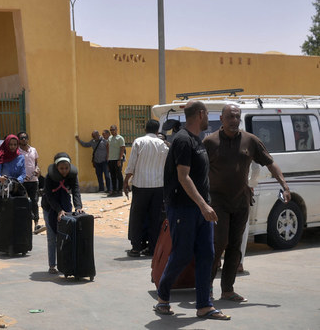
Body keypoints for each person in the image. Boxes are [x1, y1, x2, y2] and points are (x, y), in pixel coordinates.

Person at [203, 104, 291, 303]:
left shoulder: (251, 141)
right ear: (222, 119)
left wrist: (284, 185)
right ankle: (206, 288)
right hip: (217, 202)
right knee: (219, 243)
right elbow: (198, 171)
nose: (234, 120)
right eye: (230, 117)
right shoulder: (210, 142)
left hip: (241, 201)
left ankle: (227, 290)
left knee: (235, 246)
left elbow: (270, 162)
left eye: (237, 116)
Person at [154, 100, 229, 320]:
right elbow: (183, 176)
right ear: (200, 114)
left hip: (200, 208)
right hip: (183, 209)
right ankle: (163, 298)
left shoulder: (197, 141)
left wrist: (206, 204)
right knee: (182, 254)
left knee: (207, 254)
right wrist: (203, 204)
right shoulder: (183, 141)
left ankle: (204, 305)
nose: (208, 119)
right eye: (207, 115)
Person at [123, 120, 168, 257]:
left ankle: (136, 248)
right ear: (157, 130)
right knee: (155, 218)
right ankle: (152, 248)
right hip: (158, 186)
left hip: (141, 186)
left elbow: (131, 165)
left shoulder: (139, 142)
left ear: (145, 129)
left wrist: (126, 182)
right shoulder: (163, 145)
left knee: (138, 217)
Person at [41, 152, 83, 274]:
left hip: (65, 205)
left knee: (65, 236)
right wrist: (58, 210)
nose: (64, 171)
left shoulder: (72, 175)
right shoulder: (49, 177)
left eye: (66, 168)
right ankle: (52, 265)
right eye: (61, 168)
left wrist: (78, 206)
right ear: (56, 168)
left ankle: (64, 263)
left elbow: (76, 190)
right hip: (50, 207)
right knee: (52, 237)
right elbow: (49, 196)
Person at [0, 134, 26, 209]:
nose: (13, 146)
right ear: (6, 144)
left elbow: (23, 174)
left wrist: (15, 182)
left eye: (15, 144)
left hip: (16, 189)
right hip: (2, 190)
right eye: (10, 144)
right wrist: (0, 178)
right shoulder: (1, 156)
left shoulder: (21, 157)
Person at [18, 131, 42, 232]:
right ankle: (24, 225)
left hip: (33, 180)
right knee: (23, 202)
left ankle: (36, 224)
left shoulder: (33, 150)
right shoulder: (17, 152)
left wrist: (37, 170)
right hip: (22, 181)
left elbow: (36, 163)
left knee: (34, 201)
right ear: (19, 139)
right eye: (22, 138)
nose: (24, 139)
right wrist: (22, 175)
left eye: (25, 137)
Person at [107, 125, 126, 197]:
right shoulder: (110, 138)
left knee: (119, 175)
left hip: (117, 159)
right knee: (112, 175)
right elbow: (108, 147)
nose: (112, 131)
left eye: (113, 129)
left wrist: (119, 159)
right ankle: (114, 190)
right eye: (111, 130)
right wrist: (108, 158)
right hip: (111, 159)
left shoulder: (120, 138)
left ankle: (120, 190)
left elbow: (122, 148)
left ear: (116, 130)